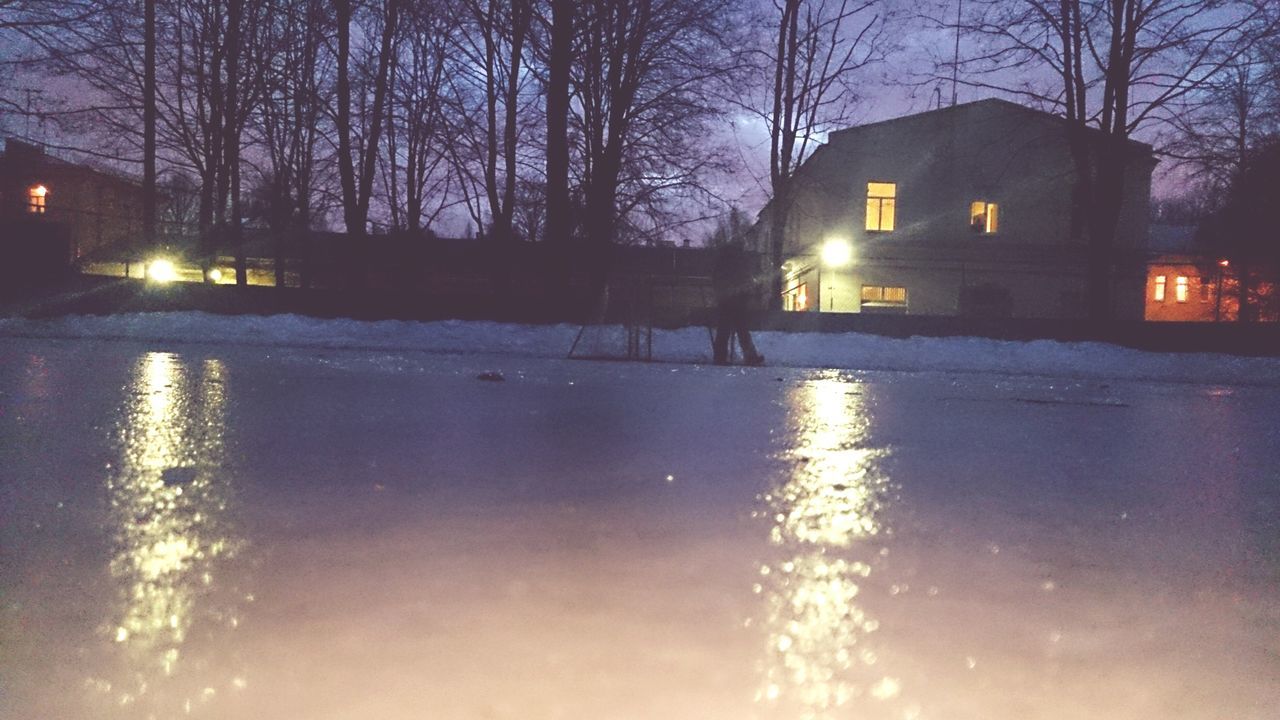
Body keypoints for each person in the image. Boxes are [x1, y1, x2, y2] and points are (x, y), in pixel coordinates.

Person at [711, 240, 765, 366]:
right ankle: (750, 357)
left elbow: (716, 279)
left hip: (725, 299)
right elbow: (746, 279)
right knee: (742, 330)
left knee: (724, 330)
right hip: (739, 300)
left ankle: (720, 357)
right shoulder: (741, 261)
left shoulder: (722, 261)